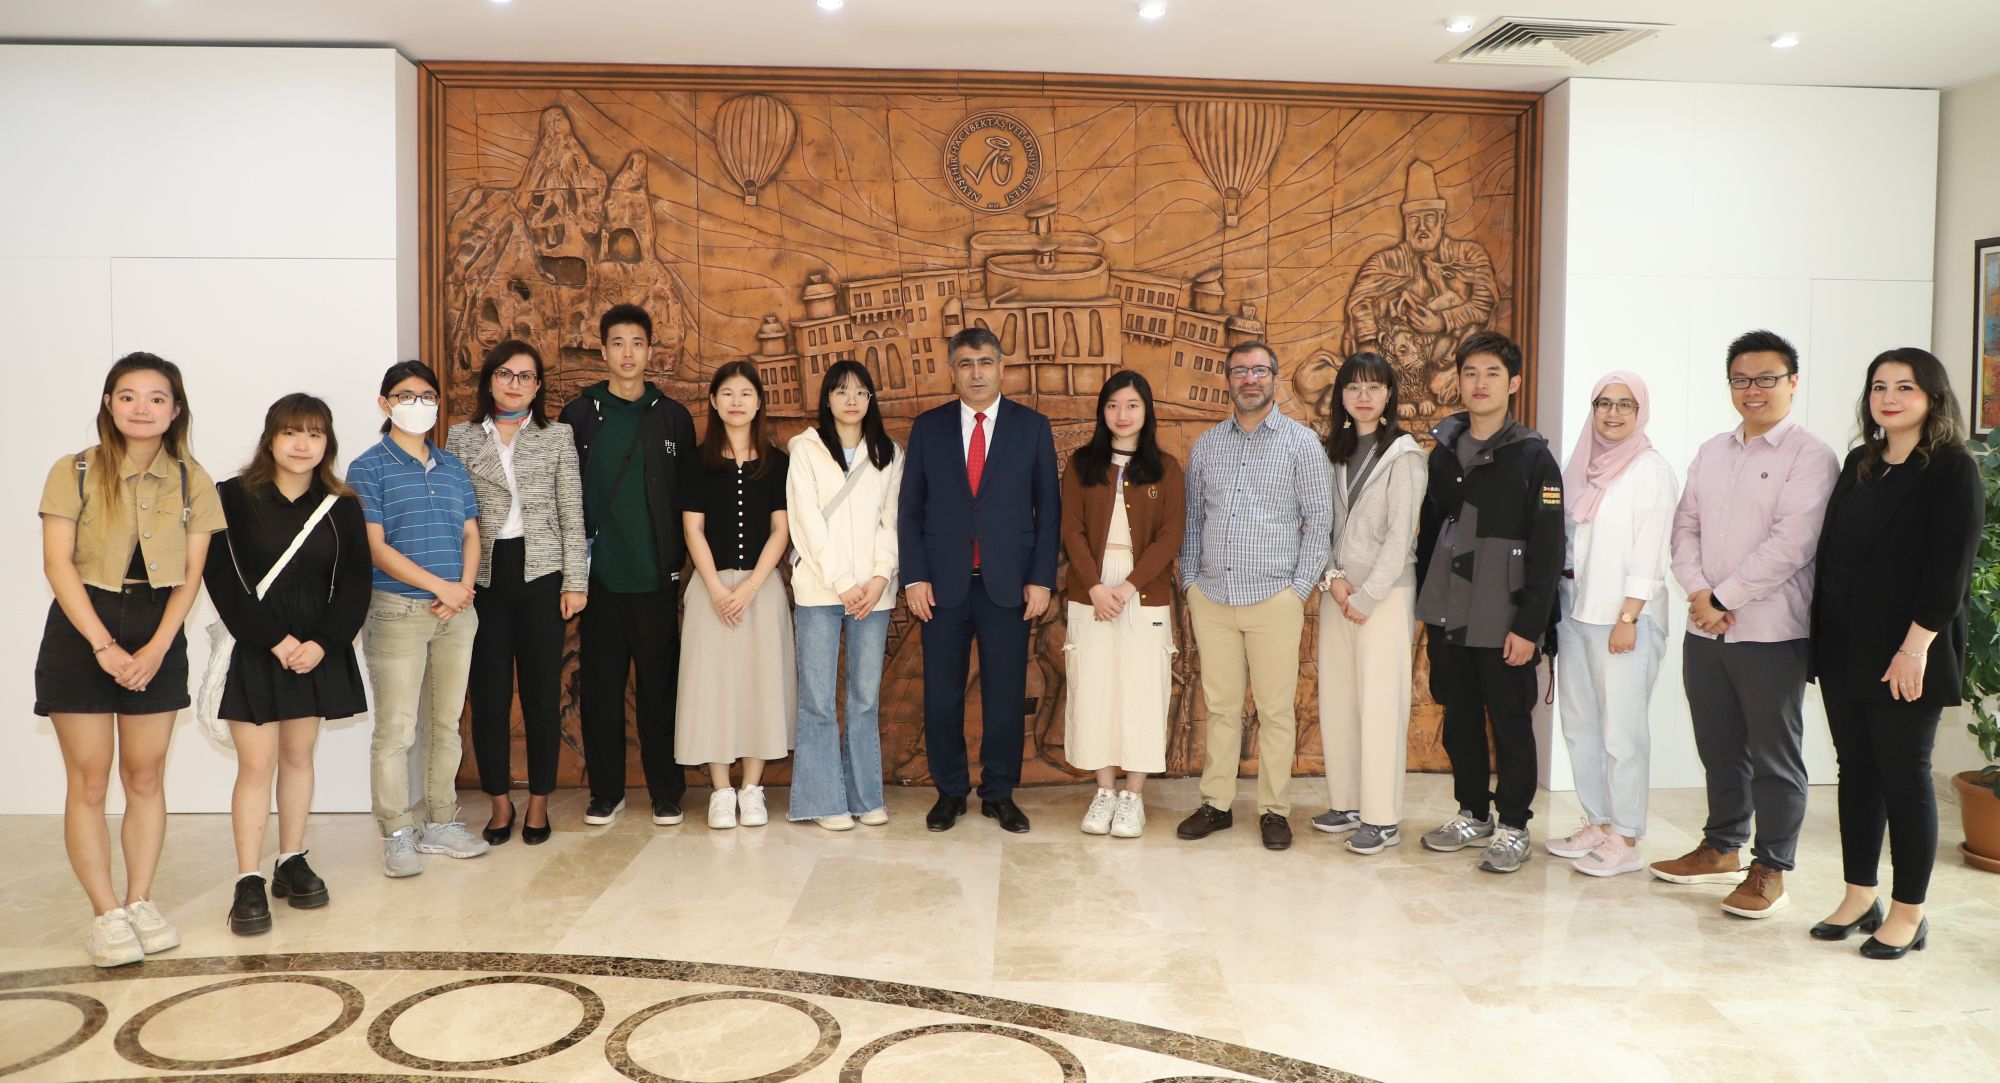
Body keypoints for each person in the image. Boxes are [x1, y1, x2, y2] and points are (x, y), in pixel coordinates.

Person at [36, 353, 223, 966]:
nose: (142, 408)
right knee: (89, 780)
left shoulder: (194, 479)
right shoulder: (74, 470)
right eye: (128, 396)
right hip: (81, 627)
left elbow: (193, 573)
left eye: (156, 398)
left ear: (175, 410)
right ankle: (106, 914)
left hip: (157, 626)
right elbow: (57, 563)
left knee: (145, 777)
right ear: (109, 404)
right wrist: (103, 645)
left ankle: (140, 900)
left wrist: (158, 646)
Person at [1654, 330, 1839, 919]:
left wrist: (1723, 596)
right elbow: (1684, 526)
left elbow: (1794, 543)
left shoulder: (1810, 456)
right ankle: (1721, 847)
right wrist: (1698, 592)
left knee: (1774, 757)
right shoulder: (1712, 451)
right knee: (1718, 746)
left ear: (1793, 382)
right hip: (1706, 629)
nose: (1752, 390)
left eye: (1766, 378)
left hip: (1772, 632)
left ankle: (1771, 868)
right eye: (1740, 379)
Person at [1807, 348, 1981, 958]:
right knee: (1856, 771)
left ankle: (1910, 911)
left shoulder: (1952, 468)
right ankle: (1860, 895)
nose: (1889, 398)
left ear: (1932, 396)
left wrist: (1916, 647)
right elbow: (1834, 555)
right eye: (1879, 386)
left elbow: (1950, 569)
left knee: (1904, 777)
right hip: (1844, 646)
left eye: (1905, 387)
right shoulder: (1861, 462)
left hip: (1908, 649)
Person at [210, 394, 370, 934]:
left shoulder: (341, 505)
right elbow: (221, 578)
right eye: (291, 432)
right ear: (271, 438)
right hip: (257, 645)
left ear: (328, 443)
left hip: (313, 650)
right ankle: (248, 878)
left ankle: (291, 859)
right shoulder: (233, 497)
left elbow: (355, 582)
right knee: (257, 764)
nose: (303, 444)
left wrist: (323, 643)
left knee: (299, 757)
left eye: (315, 434)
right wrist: (274, 640)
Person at [898, 326, 1060, 834]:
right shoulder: (929, 428)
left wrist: (1041, 580)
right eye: (966, 363)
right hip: (942, 587)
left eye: (985, 362)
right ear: (952, 371)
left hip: (1008, 585)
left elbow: (1049, 510)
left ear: (1001, 368)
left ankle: (999, 793)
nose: (976, 373)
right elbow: (910, 508)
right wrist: (914, 577)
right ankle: (950, 792)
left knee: (1005, 694)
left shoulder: (1032, 428)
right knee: (941, 696)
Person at [1414, 331, 1564, 873]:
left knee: (1510, 720)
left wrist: (1530, 625)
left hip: (1503, 615)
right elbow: (1429, 535)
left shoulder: (1533, 456)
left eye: (1492, 374)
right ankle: (1473, 812)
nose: (1480, 383)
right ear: (1458, 380)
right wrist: (1426, 607)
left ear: (1514, 383)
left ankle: (1514, 824)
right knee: (1458, 717)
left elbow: (1548, 548)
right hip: (1448, 609)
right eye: (1471, 373)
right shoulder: (1442, 452)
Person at [1176, 341, 1332, 852]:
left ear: (1274, 378)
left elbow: (1319, 522)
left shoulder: (1301, 443)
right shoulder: (1207, 446)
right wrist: (1191, 583)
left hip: (1274, 599)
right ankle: (1216, 804)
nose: (1249, 379)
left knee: (1275, 711)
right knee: (1220, 707)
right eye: (1240, 371)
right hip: (1213, 598)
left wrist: (1297, 591)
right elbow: (1192, 521)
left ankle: (1274, 810)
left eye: (1259, 370)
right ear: (1227, 379)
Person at [559, 304, 700, 828]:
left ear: (649, 350)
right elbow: (563, 495)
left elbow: (686, 498)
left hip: (655, 578)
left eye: (637, 343)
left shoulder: (671, 416)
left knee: (660, 689)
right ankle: (607, 792)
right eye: (617, 343)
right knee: (600, 690)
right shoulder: (579, 415)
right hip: (598, 581)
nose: (627, 353)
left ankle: (667, 791)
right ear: (603, 350)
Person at [348, 359, 489, 877]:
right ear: (384, 404)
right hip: (397, 611)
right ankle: (396, 832)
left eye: (427, 396)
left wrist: (462, 590)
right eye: (406, 396)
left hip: (457, 612)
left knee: (445, 725)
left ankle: (442, 822)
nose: (419, 404)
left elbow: (471, 533)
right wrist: (439, 587)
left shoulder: (451, 466)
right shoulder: (368, 467)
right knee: (397, 729)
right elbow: (375, 547)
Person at [446, 340, 587, 846]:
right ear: (490, 380)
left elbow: (572, 513)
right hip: (483, 577)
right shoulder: (461, 437)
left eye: (526, 376)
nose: (515, 384)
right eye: (505, 374)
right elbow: (452, 514)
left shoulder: (557, 436)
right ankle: (501, 803)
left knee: (542, 695)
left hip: (541, 574)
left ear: (538, 386)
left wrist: (575, 581)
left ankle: (540, 802)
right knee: (488, 698)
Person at [1544, 373, 1677, 877]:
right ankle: (1599, 824)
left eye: (1625, 404)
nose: (1612, 413)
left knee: (1623, 732)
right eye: (1603, 403)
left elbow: (1651, 551)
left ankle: (1626, 836)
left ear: (1640, 411)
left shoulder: (1650, 470)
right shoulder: (1582, 465)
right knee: (1580, 725)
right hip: (1576, 610)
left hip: (1624, 618)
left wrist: (1629, 616)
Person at [1308, 352, 1428, 856]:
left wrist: (1369, 595)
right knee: (1339, 701)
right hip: (1339, 593)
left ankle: (1381, 818)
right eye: (1354, 387)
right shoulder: (1331, 452)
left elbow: (1402, 536)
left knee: (1381, 704)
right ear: (1341, 395)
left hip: (1385, 596)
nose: (1363, 396)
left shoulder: (1404, 455)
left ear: (1389, 396)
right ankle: (1348, 803)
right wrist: (1334, 581)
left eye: (1374, 387)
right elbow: (1321, 524)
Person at [1060, 371, 1185, 838]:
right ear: (1102, 412)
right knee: (1094, 688)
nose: (1122, 414)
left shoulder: (1166, 468)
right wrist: (1095, 587)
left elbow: (1170, 535)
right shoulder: (1081, 465)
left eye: (1132, 405)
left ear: (1146, 411)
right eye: (1113, 405)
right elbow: (1071, 529)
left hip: (1143, 590)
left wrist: (1128, 586)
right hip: (1090, 590)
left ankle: (1133, 796)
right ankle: (1105, 791)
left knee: (1142, 689)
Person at [677, 361, 795, 829]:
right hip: (710, 591)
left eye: (746, 393)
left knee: (760, 684)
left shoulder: (777, 463)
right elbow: (693, 529)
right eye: (727, 393)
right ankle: (721, 791)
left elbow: (781, 530)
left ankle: (752, 788)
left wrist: (748, 587)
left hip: (761, 592)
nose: (737, 402)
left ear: (759, 402)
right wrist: (715, 589)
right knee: (712, 686)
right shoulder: (696, 462)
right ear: (713, 401)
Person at [786, 360, 903, 831]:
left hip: (873, 595)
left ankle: (865, 798)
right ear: (827, 399)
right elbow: (807, 522)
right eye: (841, 391)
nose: (851, 400)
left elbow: (892, 521)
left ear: (871, 399)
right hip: (820, 588)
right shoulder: (806, 449)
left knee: (864, 698)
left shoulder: (890, 453)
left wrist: (878, 578)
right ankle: (823, 801)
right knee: (817, 698)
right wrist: (842, 581)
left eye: (860, 392)